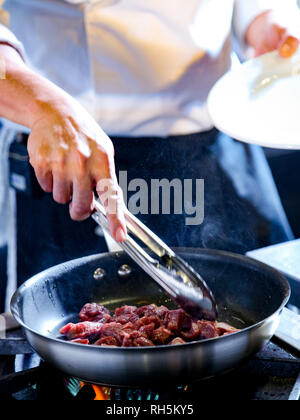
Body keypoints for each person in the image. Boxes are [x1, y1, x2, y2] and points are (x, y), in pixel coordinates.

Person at [0, 0, 298, 311]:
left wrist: (265, 19)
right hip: (64, 152)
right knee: (66, 334)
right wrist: (42, 104)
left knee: (269, 319)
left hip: (212, 142)